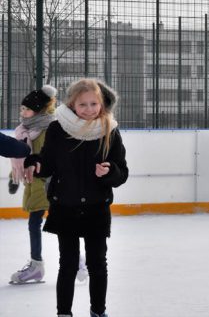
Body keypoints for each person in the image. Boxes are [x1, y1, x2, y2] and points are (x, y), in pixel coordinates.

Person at [25, 78, 129, 317]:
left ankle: (98, 311)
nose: (90, 109)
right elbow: (48, 164)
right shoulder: (57, 128)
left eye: (94, 104)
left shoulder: (109, 130)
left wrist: (110, 171)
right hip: (65, 206)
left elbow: (122, 172)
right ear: (72, 104)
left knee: (97, 264)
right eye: (83, 104)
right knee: (68, 264)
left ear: (102, 104)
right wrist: (35, 164)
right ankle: (64, 313)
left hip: (96, 208)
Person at [8, 85, 57, 284]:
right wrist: (14, 177)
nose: (22, 112)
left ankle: (38, 265)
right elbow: (22, 157)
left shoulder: (47, 130)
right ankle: (74, 261)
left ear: (39, 110)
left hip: (46, 185)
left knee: (40, 224)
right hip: (33, 184)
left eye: (26, 109)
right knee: (52, 224)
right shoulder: (25, 130)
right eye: (21, 109)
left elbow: (48, 158)